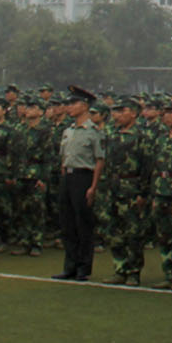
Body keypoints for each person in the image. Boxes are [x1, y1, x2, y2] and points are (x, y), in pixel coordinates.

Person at [52, 85, 105, 282]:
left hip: (84, 178)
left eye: (73, 103)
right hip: (69, 178)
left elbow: (100, 160)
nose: (69, 107)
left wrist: (93, 186)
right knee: (67, 224)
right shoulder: (68, 131)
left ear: (84, 106)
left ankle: (84, 267)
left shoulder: (94, 131)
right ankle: (70, 266)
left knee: (83, 224)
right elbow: (63, 159)